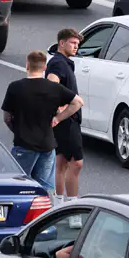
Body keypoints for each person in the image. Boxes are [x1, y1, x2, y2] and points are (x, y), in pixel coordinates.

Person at [1, 50, 84, 192]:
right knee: (44, 190)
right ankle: (44, 213)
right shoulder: (54, 88)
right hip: (47, 146)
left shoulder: (15, 87)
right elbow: (78, 102)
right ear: (44, 67)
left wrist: (17, 129)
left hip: (23, 145)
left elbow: (7, 117)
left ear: (27, 65)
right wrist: (58, 118)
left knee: (18, 187)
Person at [46, 28, 84, 203]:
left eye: (77, 44)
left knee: (61, 161)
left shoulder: (65, 62)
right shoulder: (58, 63)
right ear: (62, 43)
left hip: (69, 119)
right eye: (72, 43)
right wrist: (58, 108)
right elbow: (51, 85)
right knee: (76, 163)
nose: (76, 47)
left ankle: (58, 202)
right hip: (67, 120)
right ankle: (72, 203)